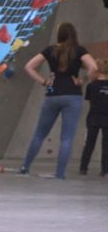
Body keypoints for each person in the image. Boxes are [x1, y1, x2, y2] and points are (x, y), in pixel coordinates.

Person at [18, 22, 99, 179]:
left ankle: (24, 167)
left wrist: (44, 82)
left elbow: (29, 67)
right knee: (66, 137)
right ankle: (60, 174)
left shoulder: (50, 50)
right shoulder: (79, 50)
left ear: (59, 34)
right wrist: (83, 80)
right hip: (72, 95)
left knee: (39, 134)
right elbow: (94, 67)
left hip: (52, 93)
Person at [79, 57, 108, 177]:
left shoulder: (91, 86)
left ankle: (83, 168)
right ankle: (105, 170)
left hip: (93, 117)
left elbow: (90, 102)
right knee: (106, 145)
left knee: (89, 143)